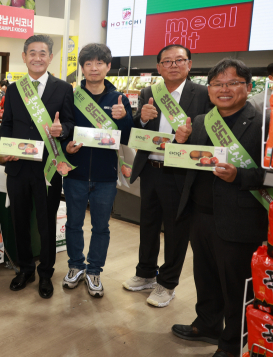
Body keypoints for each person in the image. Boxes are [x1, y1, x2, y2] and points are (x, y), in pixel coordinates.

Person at [171, 59, 267, 357]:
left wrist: (239, 175)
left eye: (232, 83)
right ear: (209, 89)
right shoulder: (200, 121)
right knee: (205, 276)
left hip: (239, 220)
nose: (224, 90)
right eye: (217, 84)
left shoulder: (263, 123)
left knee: (236, 286)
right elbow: (187, 164)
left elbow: (270, 174)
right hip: (200, 216)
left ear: (248, 87)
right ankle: (207, 324)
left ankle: (230, 343)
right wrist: (180, 142)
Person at [123, 44, 211, 308]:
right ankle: (146, 273)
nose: (173, 65)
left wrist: (190, 135)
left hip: (180, 173)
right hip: (150, 168)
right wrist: (142, 119)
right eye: (167, 61)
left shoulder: (204, 94)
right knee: (148, 225)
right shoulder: (150, 91)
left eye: (179, 60)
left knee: (176, 230)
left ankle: (167, 283)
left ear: (189, 64)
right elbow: (140, 129)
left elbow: (208, 135)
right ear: (159, 67)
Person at [0, 34, 75, 299]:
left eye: (43, 53)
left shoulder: (63, 88)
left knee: (46, 223)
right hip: (18, 167)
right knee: (19, 220)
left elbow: (69, 123)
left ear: (50, 58)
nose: (37, 58)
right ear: (24, 57)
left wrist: (61, 129)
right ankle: (25, 269)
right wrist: (4, 149)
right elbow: (7, 124)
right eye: (32, 53)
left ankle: (45, 274)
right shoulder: (15, 89)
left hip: (48, 168)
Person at [61, 43, 133, 297]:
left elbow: (126, 137)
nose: (94, 68)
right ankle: (75, 266)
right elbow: (65, 129)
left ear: (108, 66)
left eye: (99, 63)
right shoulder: (70, 95)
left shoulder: (119, 98)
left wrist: (124, 117)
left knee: (101, 226)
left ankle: (94, 271)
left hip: (105, 177)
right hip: (75, 173)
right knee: (73, 224)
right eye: (88, 63)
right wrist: (66, 147)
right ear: (82, 68)